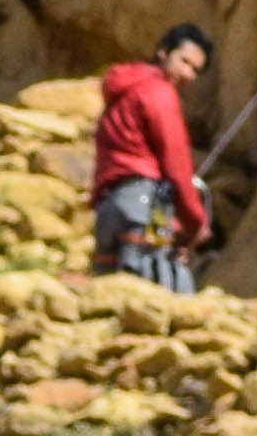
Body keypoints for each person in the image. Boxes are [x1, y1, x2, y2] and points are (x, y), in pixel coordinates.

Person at [89, 25, 215, 289]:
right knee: (154, 291)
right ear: (163, 52)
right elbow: (176, 166)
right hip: (148, 203)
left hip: (108, 207)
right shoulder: (160, 93)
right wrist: (195, 223)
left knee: (106, 293)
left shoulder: (123, 92)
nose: (188, 74)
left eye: (195, 70)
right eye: (184, 62)